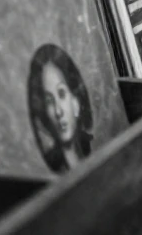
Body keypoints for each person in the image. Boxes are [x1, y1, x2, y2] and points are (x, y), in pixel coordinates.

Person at [28, 44, 94, 173]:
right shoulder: (51, 166)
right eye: (49, 101)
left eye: (62, 94)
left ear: (75, 102)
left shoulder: (95, 148)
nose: (58, 111)